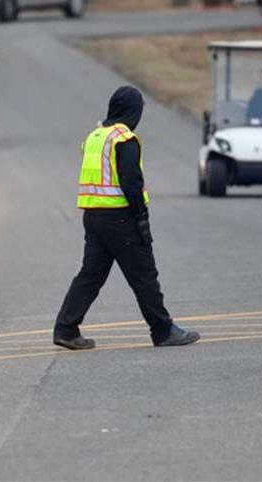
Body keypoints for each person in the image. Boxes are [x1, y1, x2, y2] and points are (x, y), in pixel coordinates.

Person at [53, 86, 200, 350]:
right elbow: (132, 183)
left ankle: (66, 328)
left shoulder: (95, 136)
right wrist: (141, 217)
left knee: (90, 275)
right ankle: (163, 331)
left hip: (93, 216)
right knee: (144, 275)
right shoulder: (124, 139)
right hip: (120, 218)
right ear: (133, 111)